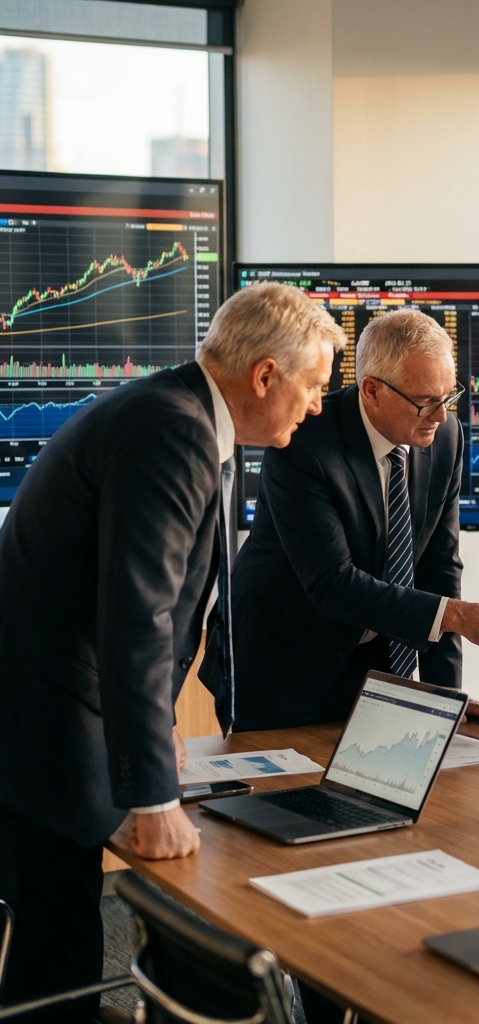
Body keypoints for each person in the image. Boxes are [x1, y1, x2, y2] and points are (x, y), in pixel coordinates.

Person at [0, 282, 343, 1021]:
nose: (316, 406)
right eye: (313, 387)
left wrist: (155, 738)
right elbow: (137, 616)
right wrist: (150, 793)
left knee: (53, 939)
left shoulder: (175, 411)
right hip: (47, 727)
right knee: (56, 958)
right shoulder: (174, 430)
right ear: (264, 376)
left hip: (53, 711)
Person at [223, 308, 479, 735]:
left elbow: (438, 567)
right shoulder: (303, 442)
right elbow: (332, 582)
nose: (441, 416)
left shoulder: (445, 437)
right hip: (282, 667)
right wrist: (459, 616)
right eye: (426, 402)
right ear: (372, 390)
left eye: (449, 397)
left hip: (371, 670)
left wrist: (444, 700)